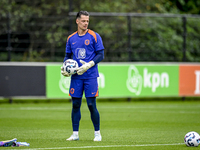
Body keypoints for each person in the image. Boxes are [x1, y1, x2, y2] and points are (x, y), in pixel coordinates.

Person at [61, 11, 104, 141]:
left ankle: (97, 134)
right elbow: (67, 56)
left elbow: (101, 55)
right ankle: (75, 134)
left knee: (91, 105)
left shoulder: (94, 36)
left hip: (90, 75)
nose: (86, 23)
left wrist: (89, 65)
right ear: (77, 21)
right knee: (75, 104)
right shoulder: (71, 38)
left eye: (87, 21)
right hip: (76, 76)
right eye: (83, 21)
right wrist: (64, 67)